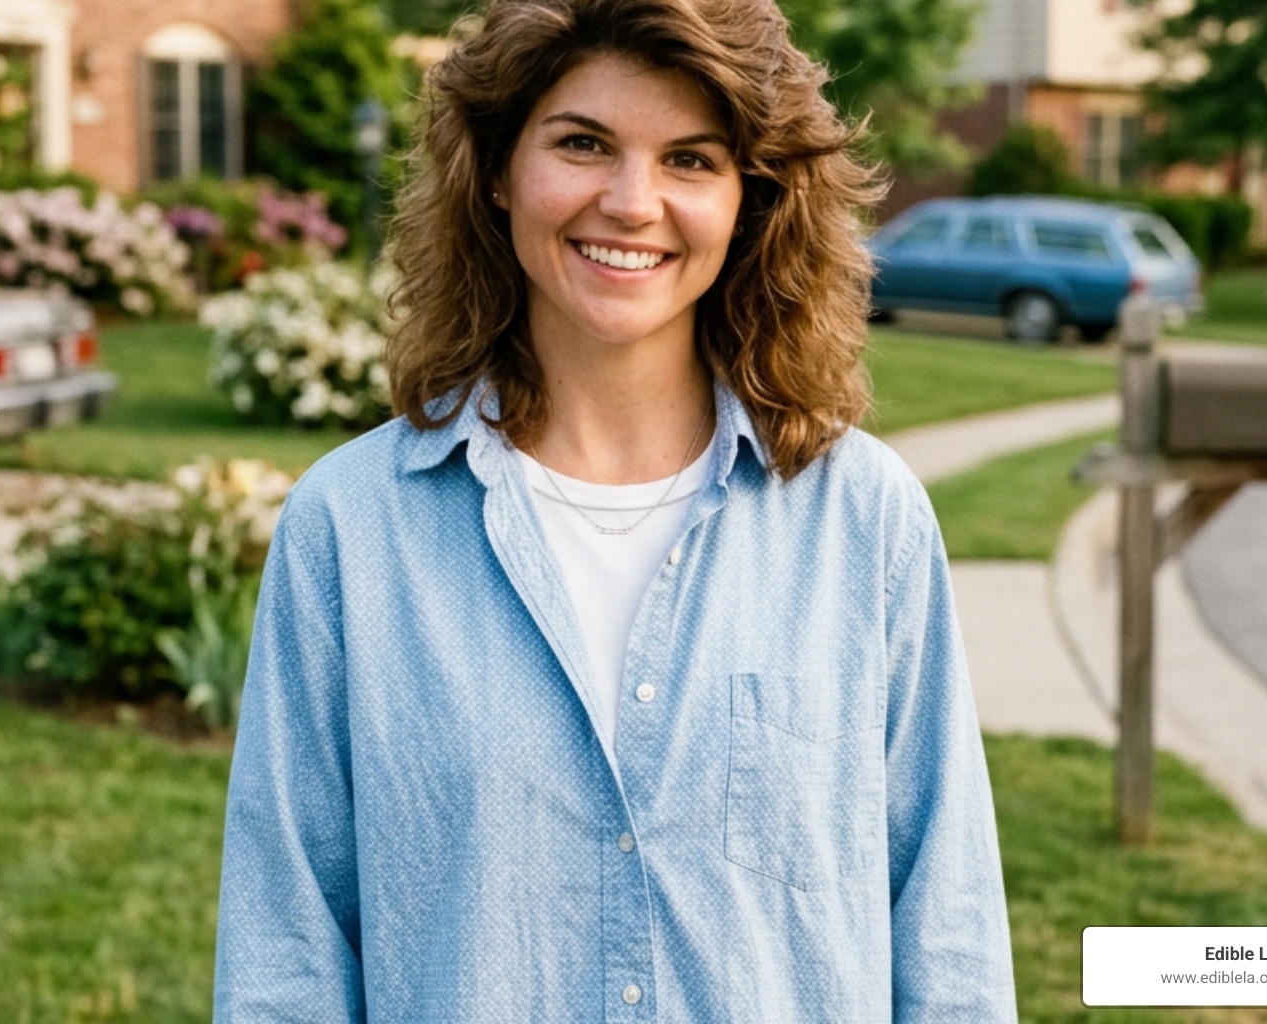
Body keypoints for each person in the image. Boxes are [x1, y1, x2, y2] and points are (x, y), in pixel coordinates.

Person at [213, 0, 1018, 1018]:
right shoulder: (350, 529)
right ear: (498, 170)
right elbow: (286, 955)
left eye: (691, 160)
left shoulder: (865, 521)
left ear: (750, 200)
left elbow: (946, 933)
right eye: (584, 144)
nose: (632, 202)